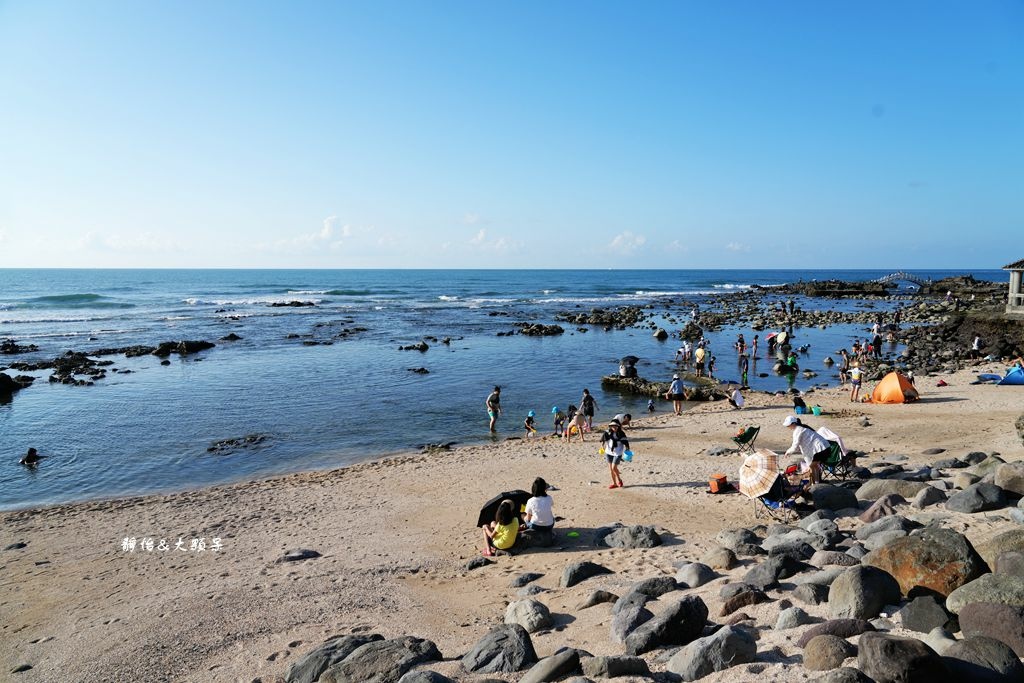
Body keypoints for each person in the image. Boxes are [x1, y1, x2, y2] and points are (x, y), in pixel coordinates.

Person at [783, 415, 832, 485]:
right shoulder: (803, 428)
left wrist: (788, 452)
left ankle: (814, 483)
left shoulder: (798, 430)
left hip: (821, 449)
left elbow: (795, 446)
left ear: (793, 423)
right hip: (825, 447)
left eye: (788, 425)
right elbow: (800, 446)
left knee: (812, 466)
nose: (788, 427)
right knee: (814, 466)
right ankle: (816, 482)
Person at [600, 419, 630, 489]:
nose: (614, 427)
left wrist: (627, 450)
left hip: (618, 452)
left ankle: (619, 480)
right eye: (612, 426)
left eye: (615, 426)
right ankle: (614, 483)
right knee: (611, 469)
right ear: (610, 426)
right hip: (608, 452)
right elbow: (603, 440)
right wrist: (602, 446)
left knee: (613, 468)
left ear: (618, 426)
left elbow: (626, 442)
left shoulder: (621, 433)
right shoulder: (607, 432)